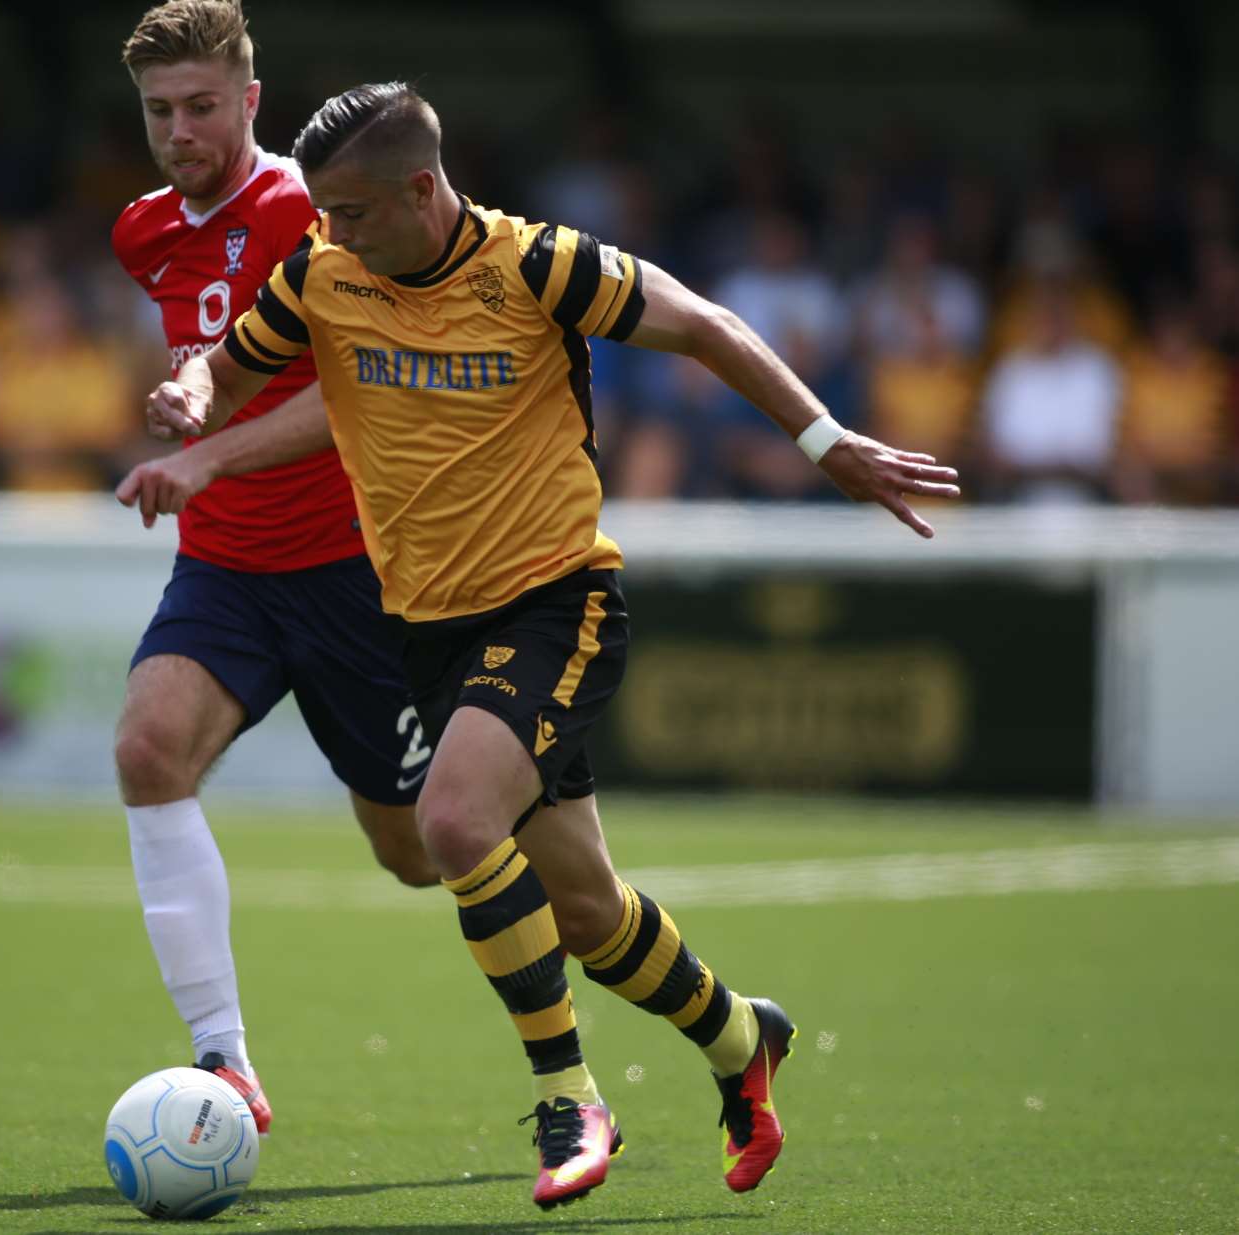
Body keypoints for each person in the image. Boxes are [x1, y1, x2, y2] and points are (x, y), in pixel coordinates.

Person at [144, 82, 961, 1208]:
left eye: (352, 211)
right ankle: (738, 1038)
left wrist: (826, 443)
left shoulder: (538, 267)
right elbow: (228, 366)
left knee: (449, 821)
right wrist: (190, 397)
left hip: (553, 601)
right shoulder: (323, 276)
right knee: (584, 912)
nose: (330, 233)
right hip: (425, 628)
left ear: (422, 189)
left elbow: (705, 325)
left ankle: (570, 1093)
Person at [105, 2, 438, 1137]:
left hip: (357, 571)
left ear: (251, 101)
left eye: (203, 106)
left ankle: (559, 900)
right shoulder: (143, 230)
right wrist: (188, 412)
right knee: (148, 747)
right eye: (160, 111)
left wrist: (202, 444)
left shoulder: (312, 208)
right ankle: (225, 1060)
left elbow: (356, 392)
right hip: (228, 565)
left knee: (419, 850)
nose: (180, 130)